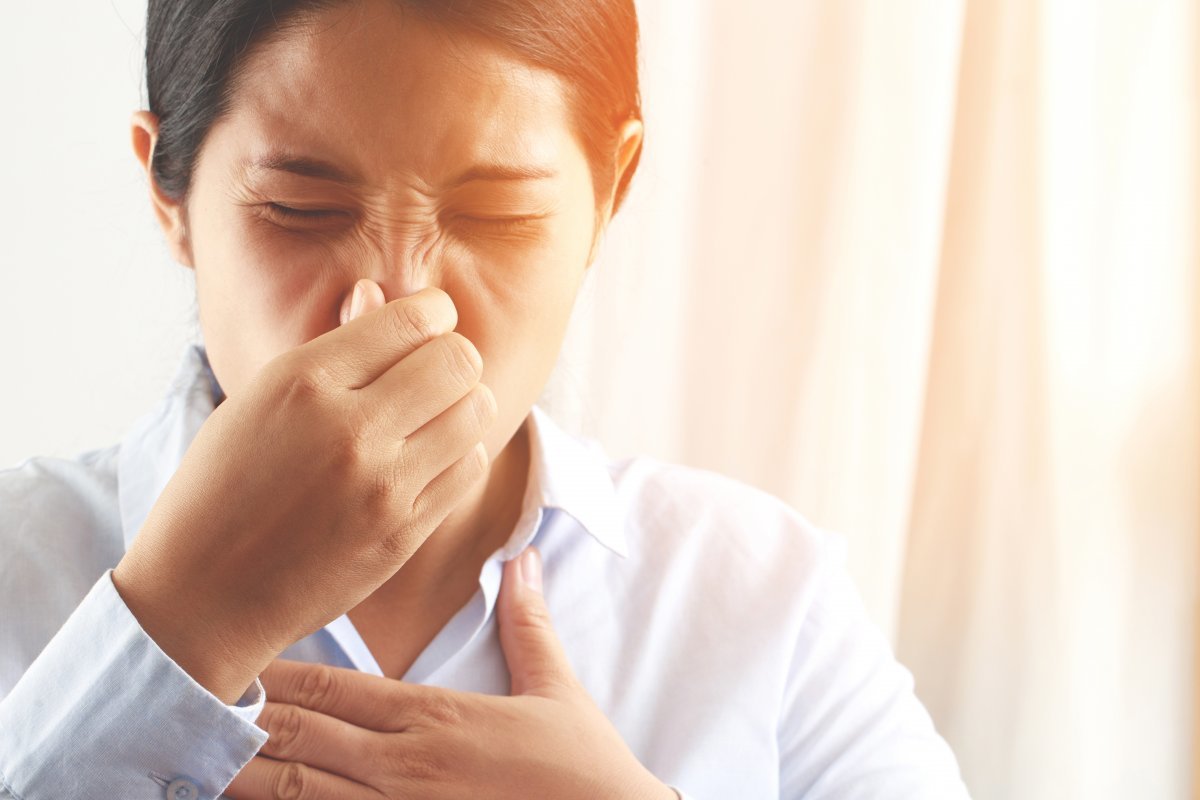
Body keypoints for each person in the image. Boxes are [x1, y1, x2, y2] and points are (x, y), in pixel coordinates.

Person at [0, 1, 972, 797]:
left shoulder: (760, 598)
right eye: (300, 209)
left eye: (497, 214)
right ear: (168, 194)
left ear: (609, 194)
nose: (394, 301)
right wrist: (174, 628)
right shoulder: (20, 565)